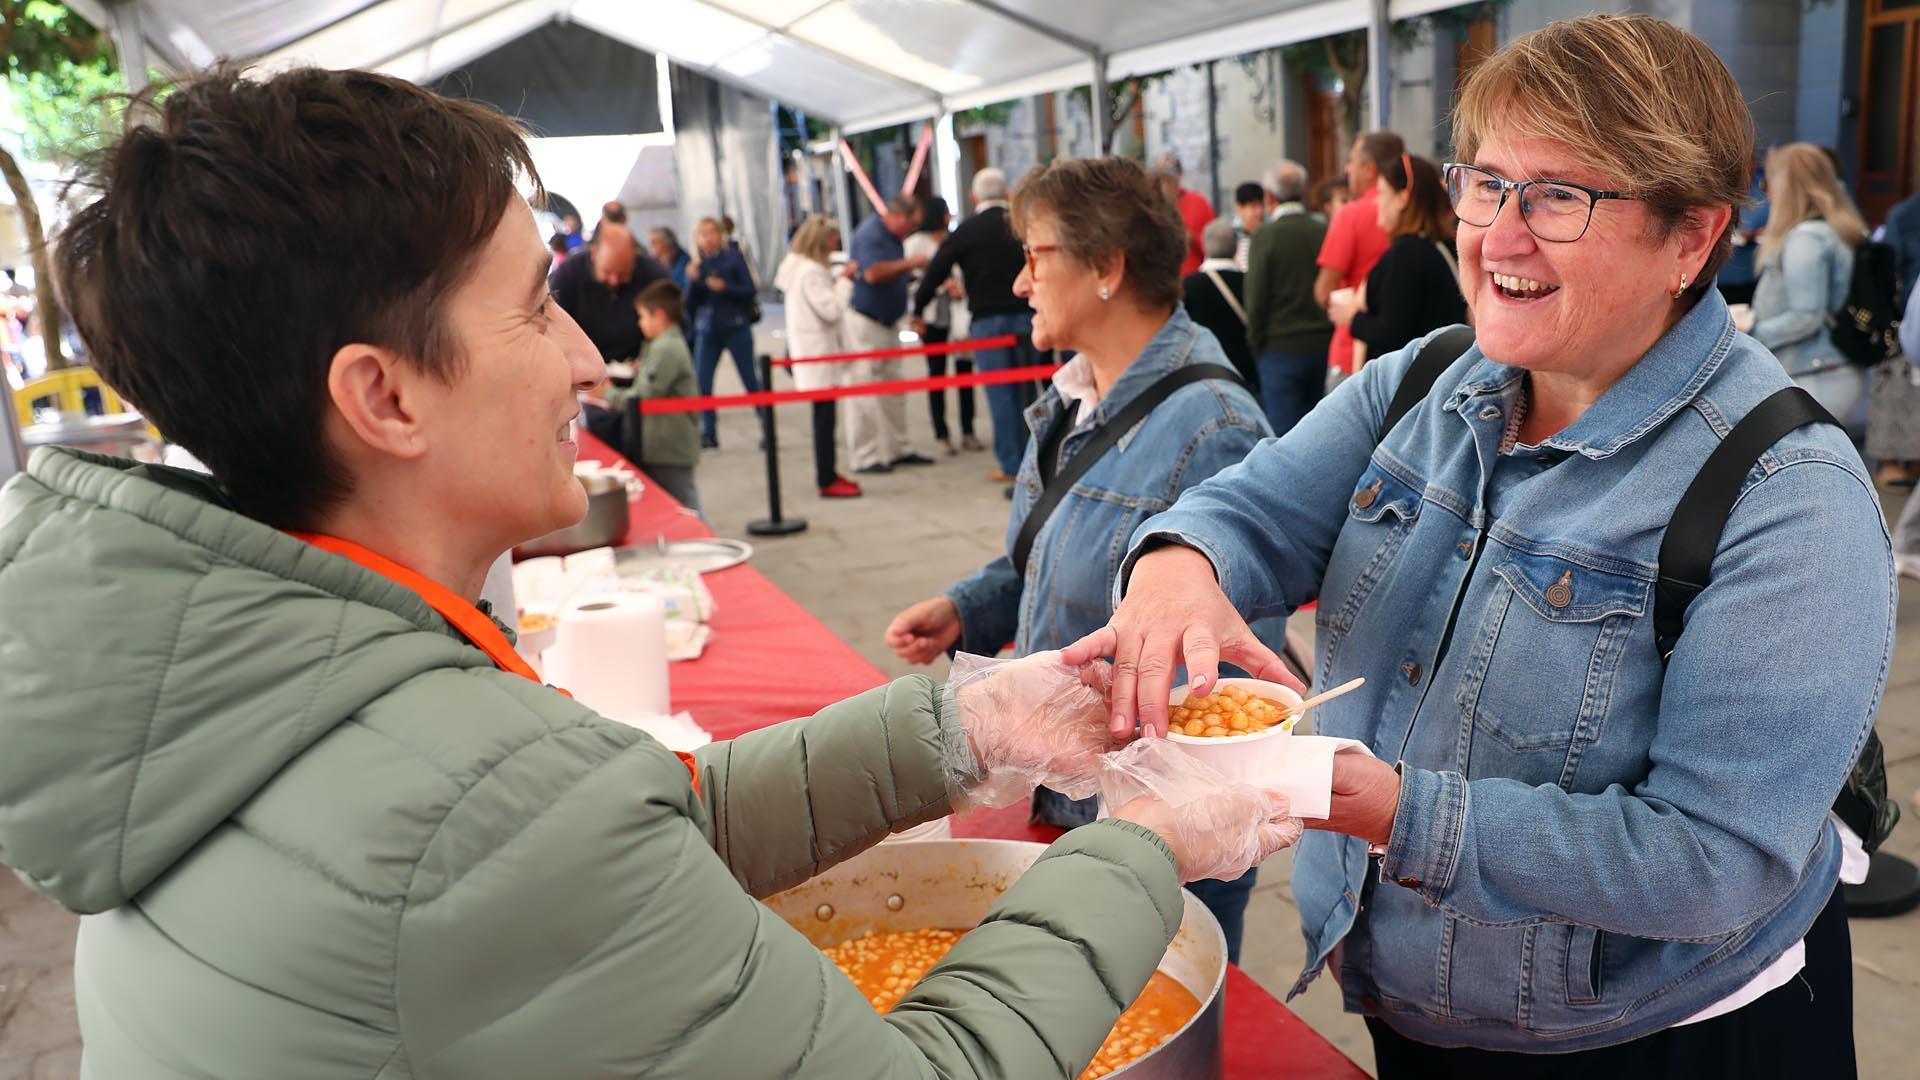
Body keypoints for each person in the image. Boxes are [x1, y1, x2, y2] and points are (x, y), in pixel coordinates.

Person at [1, 65, 1302, 1079]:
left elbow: (640, 822)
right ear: (382, 396)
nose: (587, 358)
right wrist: (1142, 841)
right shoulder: (468, 807)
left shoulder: (248, 671)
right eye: (530, 307)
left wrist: (969, 722)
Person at [1070, 14, 1890, 1075]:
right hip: (1414, 1002)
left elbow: (1711, 861)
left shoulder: (1788, 493)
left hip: (1654, 1036)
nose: (1499, 236)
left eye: (1561, 197)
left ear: (1691, 239)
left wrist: (1376, 805)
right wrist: (1177, 567)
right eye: (1488, 183)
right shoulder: (1426, 378)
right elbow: (1251, 513)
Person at [884, 156, 1282, 963]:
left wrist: (1148, 829)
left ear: (1107, 268)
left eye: (1036, 256)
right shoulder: (1073, 397)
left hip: (1145, 834)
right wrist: (967, 608)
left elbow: (1227, 681)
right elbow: (1043, 563)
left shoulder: (1215, 428)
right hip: (1063, 797)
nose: (1021, 282)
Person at [914, 168, 1035, 484]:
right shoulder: (1023, 226)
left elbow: (935, 270)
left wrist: (917, 308)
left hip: (988, 323)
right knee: (1030, 393)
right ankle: (1036, 461)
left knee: (1001, 395)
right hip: (1029, 317)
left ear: (973, 197)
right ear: (1006, 193)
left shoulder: (966, 231)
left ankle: (1011, 464)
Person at [1742, 143, 1867, 423]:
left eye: (1769, 181)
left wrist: (1750, 333)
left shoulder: (1806, 239)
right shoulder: (1832, 230)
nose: (1767, 191)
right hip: (1825, 371)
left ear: (1788, 186)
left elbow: (1806, 316)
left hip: (1814, 374)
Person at [1329, 153, 1467, 362]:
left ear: (1402, 198)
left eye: (1383, 192)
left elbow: (1393, 334)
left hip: (1413, 380)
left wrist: (1351, 317)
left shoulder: (1407, 253)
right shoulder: (1443, 245)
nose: (1377, 201)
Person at [586, 279, 703, 515]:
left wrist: (608, 394)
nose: (640, 324)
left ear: (659, 315)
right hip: (662, 443)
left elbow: (643, 397)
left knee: (687, 506)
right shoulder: (661, 345)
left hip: (669, 446)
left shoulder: (666, 348)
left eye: (642, 317)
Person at [775, 215, 864, 498]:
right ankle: (826, 477)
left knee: (824, 419)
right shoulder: (811, 272)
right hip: (819, 355)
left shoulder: (800, 270)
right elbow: (831, 309)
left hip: (814, 352)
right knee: (824, 421)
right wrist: (846, 282)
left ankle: (828, 473)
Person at [1245, 157, 1334, 435]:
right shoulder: (1323, 229)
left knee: (1284, 442)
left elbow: (1256, 300)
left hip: (1279, 349)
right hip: (1324, 345)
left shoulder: (1264, 236)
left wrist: (1257, 346)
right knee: (1323, 434)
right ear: (1303, 193)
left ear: (1270, 197)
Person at [845, 194, 932, 474]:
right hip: (867, 324)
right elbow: (872, 273)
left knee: (894, 389)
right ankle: (865, 455)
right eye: (911, 224)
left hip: (889, 322)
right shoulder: (871, 235)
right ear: (898, 217)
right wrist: (910, 264)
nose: (911, 231)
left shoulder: (892, 238)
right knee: (864, 392)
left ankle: (898, 448)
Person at [1317, 130, 1405, 378]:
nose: (1347, 169)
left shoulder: (1351, 215)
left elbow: (1324, 291)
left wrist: (1346, 305)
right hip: (1408, 352)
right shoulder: (1415, 213)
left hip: (1354, 352)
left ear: (1368, 169)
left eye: (1352, 161)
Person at [685, 215, 766, 451]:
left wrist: (725, 288)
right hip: (708, 330)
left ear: (720, 235)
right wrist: (691, 281)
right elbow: (690, 304)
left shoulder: (734, 257)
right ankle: (709, 433)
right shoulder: (697, 265)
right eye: (703, 233)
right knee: (703, 382)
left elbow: (750, 289)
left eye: (712, 232)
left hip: (736, 326)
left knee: (751, 380)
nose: (708, 238)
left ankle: (766, 428)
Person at [906, 196, 978, 455]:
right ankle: (942, 433)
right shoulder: (916, 243)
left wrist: (961, 288)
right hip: (933, 317)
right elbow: (912, 284)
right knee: (936, 374)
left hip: (960, 316)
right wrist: (939, 287)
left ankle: (968, 430)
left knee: (964, 373)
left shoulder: (957, 239)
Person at [548, 215, 669, 363]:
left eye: (623, 273)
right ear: (594, 254)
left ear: (634, 257)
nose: (614, 280)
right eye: (607, 272)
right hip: (583, 368)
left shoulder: (653, 275)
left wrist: (650, 359)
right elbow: (552, 327)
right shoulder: (569, 274)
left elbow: (671, 330)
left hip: (640, 370)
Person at [1183, 218, 1258, 387]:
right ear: (1236, 247)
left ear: (1205, 245)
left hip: (1203, 371)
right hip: (1245, 372)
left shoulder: (1189, 285)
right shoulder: (1250, 283)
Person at [1151, 150, 1216, 277]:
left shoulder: (1199, 203)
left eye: (1168, 179)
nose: (1163, 184)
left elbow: (1215, 247)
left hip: (1194, 282)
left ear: (1179, 175)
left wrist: (1194, 239)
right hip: (1159, 283)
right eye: (1159, 179)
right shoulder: (1148, 206)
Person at [1232, 181, 1267, 269]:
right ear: (1239, 207)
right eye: (1253, 206)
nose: (1260, 211)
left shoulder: (1270, 236)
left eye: (1262, 205)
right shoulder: (1231, 239)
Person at [650, 225, 692, 293]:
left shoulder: (684, 260)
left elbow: (681, 286)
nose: (651, 244)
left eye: (655, 242)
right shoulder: (653, 262)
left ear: (666, 242)